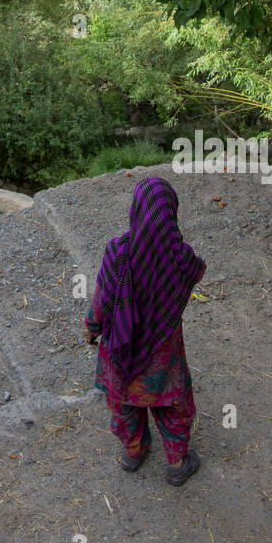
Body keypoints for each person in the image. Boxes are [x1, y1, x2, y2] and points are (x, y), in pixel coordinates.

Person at [85, 175, 206, 485]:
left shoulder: (116, 252)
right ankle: (177, 464)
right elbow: (198, 269)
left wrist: (92, 328)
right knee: (172, 404)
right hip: (162, 351)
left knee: (124, 402)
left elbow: (101, 300)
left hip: (121, 349)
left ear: (135, 210)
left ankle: (134, 452)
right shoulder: (181, 258)